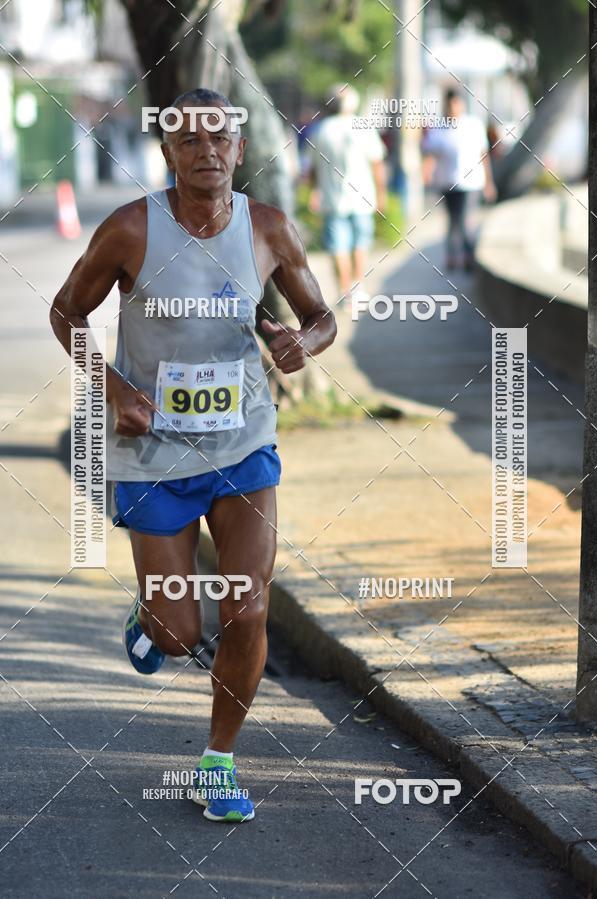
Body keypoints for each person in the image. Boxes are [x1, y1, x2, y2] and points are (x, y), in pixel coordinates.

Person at [50, 87, 336, 823]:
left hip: (243, 447)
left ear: (239, 151)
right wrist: (112, 387)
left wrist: (303, 343)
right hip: (152, 454)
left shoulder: (269, 229)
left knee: (249, 604)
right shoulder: (129, 231)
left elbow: (322, 317)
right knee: (180, 635)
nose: (207, 149)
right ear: (169, 154)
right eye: (190, 140)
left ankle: (218, 763)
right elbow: (66, 311)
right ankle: (151, 622)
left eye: (220, 137)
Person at [306, 85, 387, 306]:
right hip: (362, 198)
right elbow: (377, 163)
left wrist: (314, 192)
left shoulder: (320, 131)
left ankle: (344, 293)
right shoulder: (363, 128)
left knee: (338, 248)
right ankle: (357, 287)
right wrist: (381, 194)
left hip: (332, 200)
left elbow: (311, 170)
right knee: (360, 244)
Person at [421, 88, 496, 270]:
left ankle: (469, 256)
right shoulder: (439, 128)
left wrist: (488, 182)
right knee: (453, 221)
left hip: (470, 183)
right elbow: (430, 155)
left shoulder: (473, 125)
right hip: (447, 182)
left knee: (464, 220)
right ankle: (452, 256)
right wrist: (426, 174)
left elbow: (483, 155)